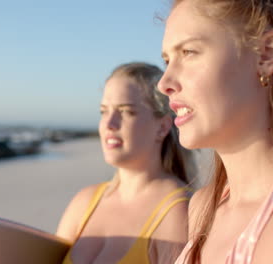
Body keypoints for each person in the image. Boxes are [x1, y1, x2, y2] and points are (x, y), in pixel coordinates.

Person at [157, 0, 273, 263]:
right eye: (167, 60)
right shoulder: (204, 206)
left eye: (188, 52)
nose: (164, 83)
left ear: (267, 54)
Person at [56, 62, 194, 264]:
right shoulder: (84, 202)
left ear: (162, 127)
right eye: (104, 111)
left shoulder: (178, 212)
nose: (109, 124)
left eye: (126, 111)